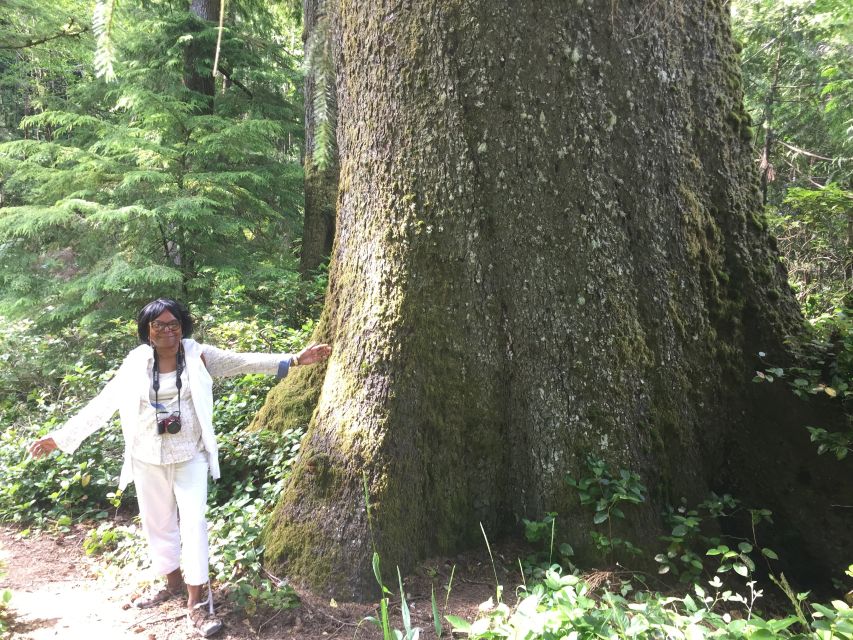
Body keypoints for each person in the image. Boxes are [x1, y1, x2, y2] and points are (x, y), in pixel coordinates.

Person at [28, 298, 331, 637]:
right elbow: (104, 403)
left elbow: (241, 362)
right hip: (146, 457)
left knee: (194, 523)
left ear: (182, 327)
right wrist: (60, 438)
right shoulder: (135, 363)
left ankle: (197, 602)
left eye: (174, 324)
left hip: (190, 455)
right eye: (160, 325)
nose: (168, 331)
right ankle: (171, 582)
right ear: (147, 331)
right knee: (157, 524)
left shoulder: (198, 355)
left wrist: (294, 359)